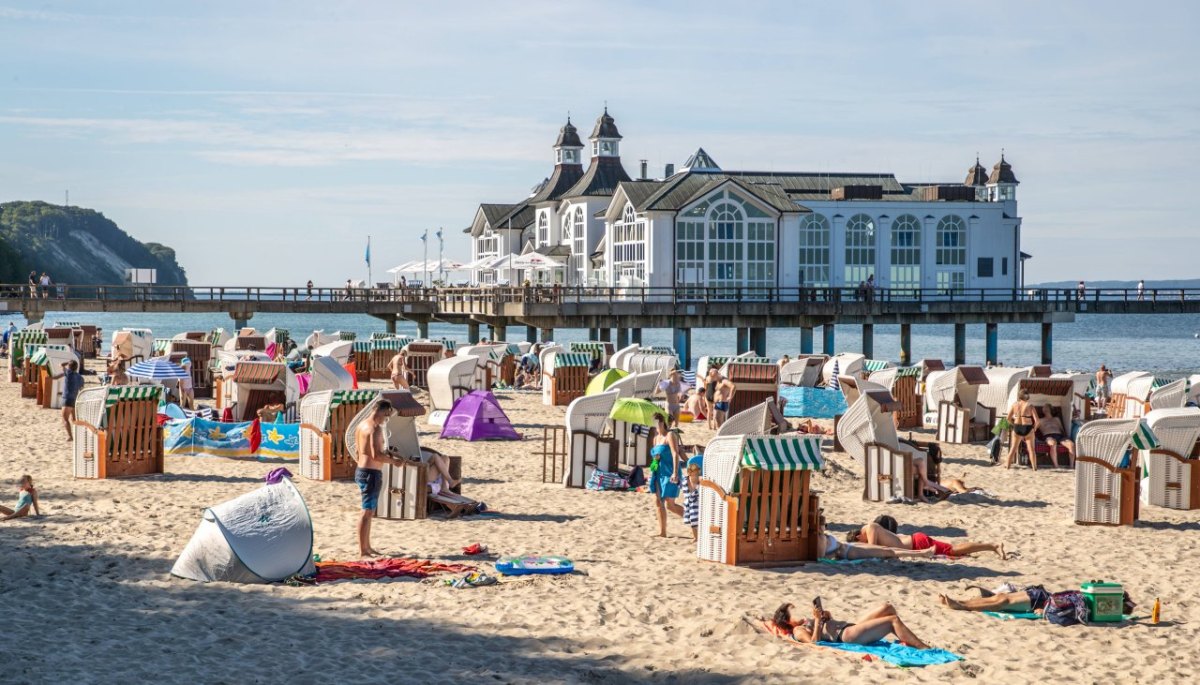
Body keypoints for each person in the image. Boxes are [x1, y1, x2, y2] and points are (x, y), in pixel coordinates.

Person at [353, 401, 416, 557]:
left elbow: (358, 450)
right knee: (367, 512)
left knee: (368, 512)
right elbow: (376, 455)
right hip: (371, 473)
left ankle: (367, 547)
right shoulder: (375, 428)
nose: (386, 419)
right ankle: (363, 550)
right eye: (386, 415)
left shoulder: (361, 425)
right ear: (380, 411)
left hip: (362, 470)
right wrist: (395, 461)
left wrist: (387, 453)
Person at [771, 600, 929, 649]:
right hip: (847, 635)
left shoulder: (805, 622)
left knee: (887, 608)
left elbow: (827, 626)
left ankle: (907, 638)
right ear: (787, 621)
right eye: (794, 611)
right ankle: (924, 648)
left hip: (850, 627)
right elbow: (814, 643)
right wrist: (818, 621)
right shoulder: (798, 630)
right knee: (892, 620)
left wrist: (826, 616)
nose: (798, 610)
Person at [846, 520, 1007, 559]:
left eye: (860, 543)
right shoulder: (871, 529)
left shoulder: (870, 528)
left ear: (858, 537)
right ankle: (990, 546)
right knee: (953, 549)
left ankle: (992, 546)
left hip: (917, 543)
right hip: (915, 542)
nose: (863, 545)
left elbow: (874, 550)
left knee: (954, 549)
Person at [816, 515, 935, 561]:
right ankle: (921, 553)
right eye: (824, 525)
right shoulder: (820, 539)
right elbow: (823, 557)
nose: (825, 527)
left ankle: (920, 553)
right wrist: (837, 554)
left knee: (885, 549)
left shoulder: (823, 537)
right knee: (888, 551)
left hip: (848, 547)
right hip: (848, 551)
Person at [649, 414, 684, 537]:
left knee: (670, 505)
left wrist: (675, 472)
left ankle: (695, 521)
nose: (654, 424)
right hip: (658, 473)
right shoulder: (655, 438)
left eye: (656, 421)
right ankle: (662, 532)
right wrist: (655, 461)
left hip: (670, 473)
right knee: (658, 502)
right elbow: (655, 458)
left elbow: (675, 454)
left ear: (662, 422)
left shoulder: (670, 435)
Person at [938, 585, 1053, 614]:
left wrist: (1046, 610)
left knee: (1002, 602)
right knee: (1000, 597)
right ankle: (961, 602)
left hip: (1045, 603)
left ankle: (963, 606)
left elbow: (1070, 613)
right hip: (1042, 594)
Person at [1003, 389, 1037, 469]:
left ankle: (1007, 466)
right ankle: (1034, 468)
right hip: (1028, 427)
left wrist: (1013, 425)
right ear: (1027, 396)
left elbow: (1008, 418)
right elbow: (1037, 421)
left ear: (1019, 396)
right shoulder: (1030, 405)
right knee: (1031, 450)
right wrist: (1034, 428)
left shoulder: (1014, 405)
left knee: (1013, 449)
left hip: (1017, 426)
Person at [1034, 404, 1075, 468]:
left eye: (1046, 407)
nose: (1045, 409)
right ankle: (1056, 466)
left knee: (1071, 445)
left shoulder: (1056, 419)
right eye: (1044, 408)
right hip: (1048, 436)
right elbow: (1034, 429)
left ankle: (1071, 466)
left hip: (1059, 436)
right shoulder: (1040, 420)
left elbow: (1062, 429)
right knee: (1053, 443)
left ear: (1051, 409)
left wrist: (1066, 438)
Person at [52, 361, 85, 441]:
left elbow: (61, 364)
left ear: (69, 367)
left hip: (67, 398)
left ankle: (70, 436)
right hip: (75, 399)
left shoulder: (69, 373)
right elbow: (81, 388)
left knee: (65, 418)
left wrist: (67, 362)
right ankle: (79, 435)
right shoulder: (80, 377)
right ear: (77, 367)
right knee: (74, 420)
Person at [679, 455, 702, 540]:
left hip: (698, 504)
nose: (695, 476)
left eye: (697, 474)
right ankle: (695, 537)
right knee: (692, 522)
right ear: (689, 473)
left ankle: (699, 537)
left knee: (698, 521)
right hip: (689, 504)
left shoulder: (700, 481)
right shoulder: (685, 481)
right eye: (693, 474)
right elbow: (677, 482)